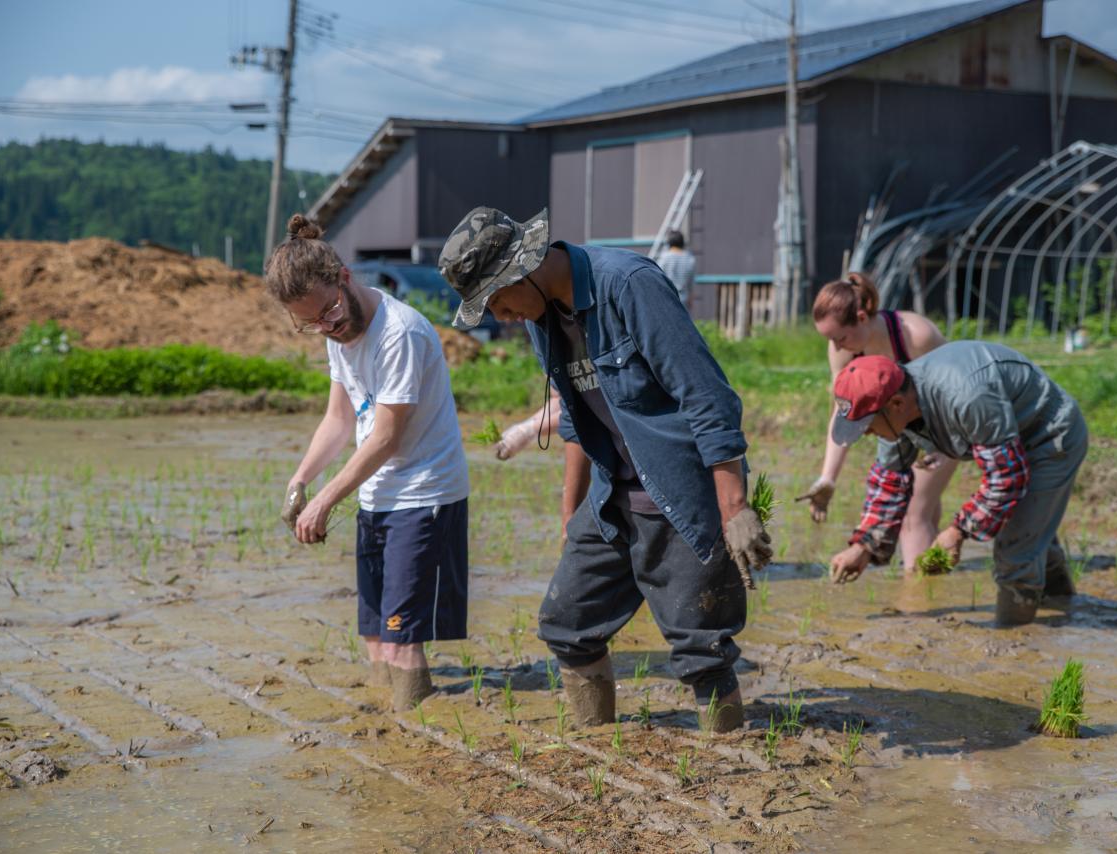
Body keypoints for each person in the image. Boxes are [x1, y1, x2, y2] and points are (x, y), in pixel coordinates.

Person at [439, 207, 771, 733]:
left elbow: (708, 397)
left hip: (680, 494)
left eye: (498, 301)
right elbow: (574, 417)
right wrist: (571, 513)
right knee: (566, 624)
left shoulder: (629, 285)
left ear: (522, 270)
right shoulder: (541, 317)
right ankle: (597, 743)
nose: (501, 316)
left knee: (700, 647)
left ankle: (732, 751)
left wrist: (735, 508)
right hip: (610, 495)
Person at [269, 214, 470, 711]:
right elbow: (338, 420)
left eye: (329, 311)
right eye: (311, 322)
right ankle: (389, 720)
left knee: (402, 638)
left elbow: (384, 438)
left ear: (344, 277)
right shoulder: (338, 337)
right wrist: (300, 480)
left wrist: (323, 501)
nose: (326, 326)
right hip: (378, 495)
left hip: (423, 495)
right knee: (376, 634)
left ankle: (414, 728)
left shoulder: (399, 334)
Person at [825, 344, 1087, 626]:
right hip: (1007, 442)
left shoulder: (966, 395)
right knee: (1031, 532)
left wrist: (958, 531)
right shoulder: (893, 406)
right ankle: (1064, 611)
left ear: (897, 404)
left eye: (867, 426)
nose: (866, 435)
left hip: (1048, 438)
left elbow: (1006, 478)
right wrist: (863, 546)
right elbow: (889, 482)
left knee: (1015, 553)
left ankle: (1014, 647)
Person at [798, 273, 957, 573]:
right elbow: (843, 411)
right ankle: (934, 582)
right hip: (899, 433)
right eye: (829, 340)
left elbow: (950, 389)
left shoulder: (916, 335)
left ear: (861, 317)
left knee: (914, 514)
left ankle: (916, 600)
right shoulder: (842, 350)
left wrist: (938, 445)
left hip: (941, 427)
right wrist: (828, 479)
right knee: (925, 512)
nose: (835, 346)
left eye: (839, 337)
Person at [654, 230, 696, 311]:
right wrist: (691, 298)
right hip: (683, 298)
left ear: (669, 242)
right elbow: (691, 282)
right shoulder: (690, 258)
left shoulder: (664, 258)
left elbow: (658, 278)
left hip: (667, 296)